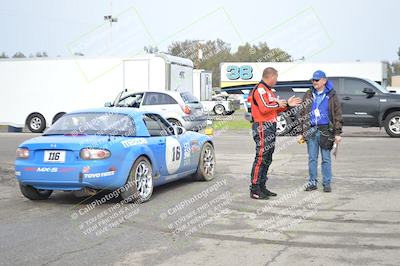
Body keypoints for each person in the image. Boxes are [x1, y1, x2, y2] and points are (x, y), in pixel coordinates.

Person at [249, 67, 302, 199]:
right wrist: (279, 103)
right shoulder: (260, 89)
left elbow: (273, 110)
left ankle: (262, 186)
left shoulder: (269, 91)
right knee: (261, 156)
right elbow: (264, 108)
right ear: (271, 76)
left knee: (268, 157)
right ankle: (254, 189)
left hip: (271, 126)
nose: (277, 81)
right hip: (262, 126)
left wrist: (287, 105)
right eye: (276, 77)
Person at [299, 70, 343, 192]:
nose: (314, 82)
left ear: (324, 81)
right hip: (311, 130)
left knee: (326, 158)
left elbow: (338, 114)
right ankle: (312, 182)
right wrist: (302, 131)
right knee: (312, 158)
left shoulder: (332, 94)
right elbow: (302, 112)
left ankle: (326, 183)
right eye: (313, 80)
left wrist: (337, 133)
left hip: (326, 131)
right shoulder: (308, 94)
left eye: (317, 80)